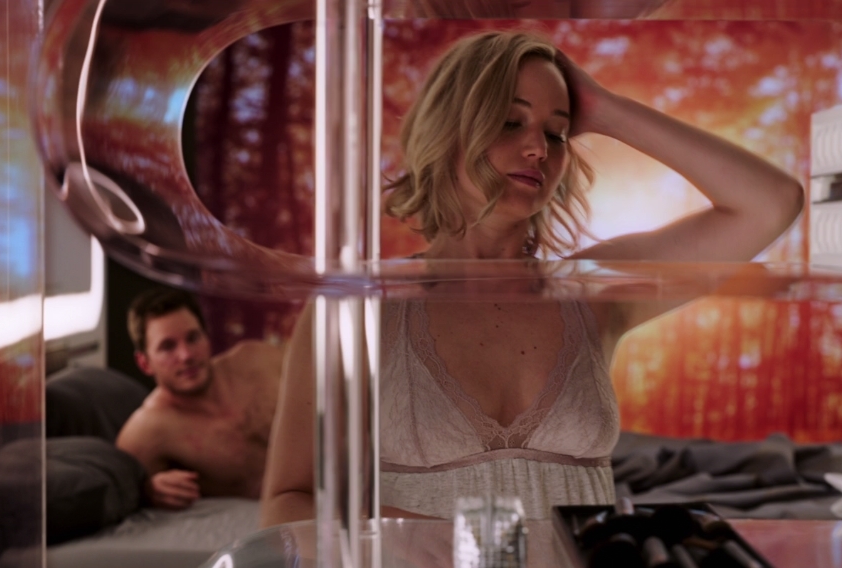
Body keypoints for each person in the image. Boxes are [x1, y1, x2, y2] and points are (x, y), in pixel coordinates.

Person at [260, 30, 803, 525]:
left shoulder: (594, 290)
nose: (539, 149)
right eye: (510, 122)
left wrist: (606, 110)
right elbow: (287, 503)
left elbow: (770, 203)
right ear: (450, 128)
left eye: (558, 133)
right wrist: (466, 550)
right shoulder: (358, 307)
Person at [116, 289, 285, 509]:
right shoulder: (147, 431)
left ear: (207, 338)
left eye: (193, 338)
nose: (186, 355)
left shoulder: (259, 360)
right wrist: (149, 491)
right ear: (145, 363)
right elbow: (118, 491)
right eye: (168, 347)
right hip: (271, 517)